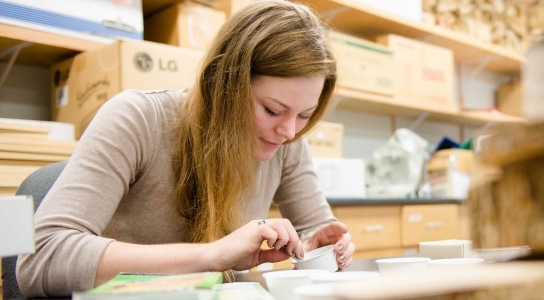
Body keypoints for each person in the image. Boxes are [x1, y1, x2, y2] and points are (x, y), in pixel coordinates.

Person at [16, 0, 356, 297]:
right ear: (224, 82)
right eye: (271, 110)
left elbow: (317, 228)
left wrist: (317, 248)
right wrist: (211, 256)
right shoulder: (137, 118)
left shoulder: (288, 139)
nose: (288, 130)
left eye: (305, 115)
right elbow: (39, 259)